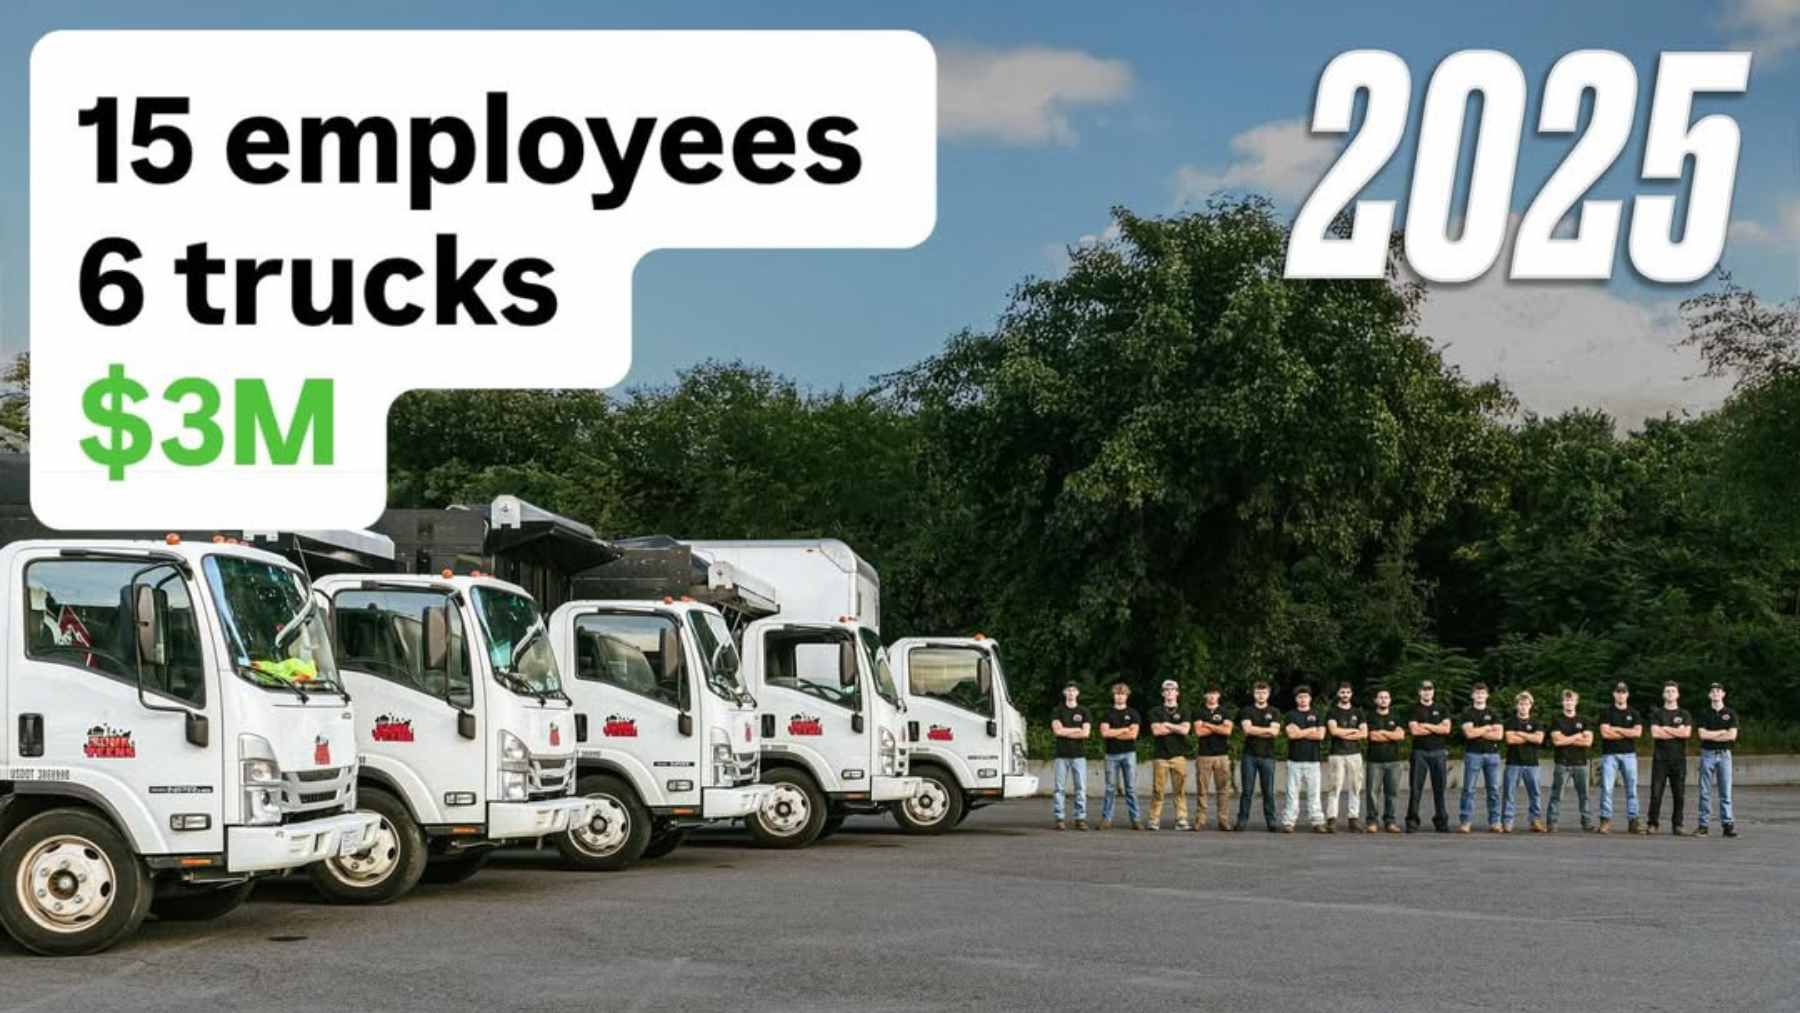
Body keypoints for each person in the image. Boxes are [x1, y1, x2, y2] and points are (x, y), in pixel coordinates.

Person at [1597, 681, 1645, 835]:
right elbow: (1605, 733)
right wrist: (1627, 732)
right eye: (1618, 691)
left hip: (1629, 755)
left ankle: (1633, 821)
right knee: (1607, 788)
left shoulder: (1634, 713)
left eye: (1623, 692)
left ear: (1627, 694)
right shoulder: (1606, 712)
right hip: (1609, 755)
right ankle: (1605, 820)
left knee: (1632, 789)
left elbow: (1637, 733)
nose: (1620, 694)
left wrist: (1616, 729)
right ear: (1614, 694)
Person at [1405, 680, 1453, 833]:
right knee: (1415, 789)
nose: (1427, 692)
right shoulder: (1413, 709)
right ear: (1419, 692)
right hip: (1419, 752)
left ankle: (1441, 821)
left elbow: (1446, 730)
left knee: (1440, 788)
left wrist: (1425, 725)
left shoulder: (1442, 708)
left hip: (1439, 752)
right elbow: (1415, 731)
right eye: (1424, 689)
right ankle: (1412, 821)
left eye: (1430, 689)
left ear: (1433, 691)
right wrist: (1436, 728)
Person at [1235, 681, 1282, 832]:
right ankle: (1242, 821)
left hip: (1268, 756)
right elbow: (1247, 730)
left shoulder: (1274, 711)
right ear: (1253, 694)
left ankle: (1271, 822)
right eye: (1258, 692)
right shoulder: (1247, 711)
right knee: (1247, 791)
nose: (1261, 695)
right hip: (1249, 756)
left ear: (1268, 694)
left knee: (1268, 791)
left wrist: (1256, 729)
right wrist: (1266, 730)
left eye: (1263, 692)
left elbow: (1274, 733)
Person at [1457, 683, 1504, 833]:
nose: (1479, 695)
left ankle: (1495, 822)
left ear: (1487, 695)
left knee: (1494, 790)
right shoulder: (1467, 713)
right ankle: (1466, 822)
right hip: (1473, 754)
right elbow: (1469, 734)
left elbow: (1499, 735)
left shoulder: (1494, 713)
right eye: (1477, 693)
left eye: (1482, 693)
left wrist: (1477, 730)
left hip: (1492, 755)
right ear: (1472, 695)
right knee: (1469, 789)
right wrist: (1487, 728)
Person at [1646, 681, 1692, 836]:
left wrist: (1665, 728)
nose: (1670, 693)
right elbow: (1655, 734)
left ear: (1678, 694)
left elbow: (1686, 734)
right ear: (1663, 694)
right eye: (1667, 691)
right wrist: (1675, 731)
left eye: (1673, 691)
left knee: (1679, 794)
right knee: (1656, 793)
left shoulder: (1684, 714)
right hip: (1660, 759)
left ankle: (1678, 825)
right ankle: (1653, 823)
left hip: (1678, 760)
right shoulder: (1657, 714)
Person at [1546, 689, 1594, 833]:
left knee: (1584, 795)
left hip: (1580, 763)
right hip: (1562, 763)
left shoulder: (1583, 720)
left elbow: (1588, 742)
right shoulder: (1557, 720)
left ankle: (1586, 822)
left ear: (1576, 702)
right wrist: (1577, 736)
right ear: (1562, 702)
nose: (1569, 703)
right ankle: (1552, 822)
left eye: (1571, 700)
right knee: (1557, 794)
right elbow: (1557, 742)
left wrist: (1566, 739)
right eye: (1566, 700)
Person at [1695, 682, 1739, 838]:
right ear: (1709, 695)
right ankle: (1703, 825)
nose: (1715, 693)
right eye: (1712, 691)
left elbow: (1732, 736)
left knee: (1725, 792)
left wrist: (1712, 734)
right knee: (1704, 791)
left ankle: (1727, 824)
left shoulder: (1730, 713)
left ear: (1723, 694)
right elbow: (1702, 735)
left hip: (1725, 755)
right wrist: (1721, 732)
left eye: (1718, 691)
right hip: (1707, 753)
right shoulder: (1704, 713)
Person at [1146, 680, 1192, 831]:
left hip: (1179, 756)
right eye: (1166, 690)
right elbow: (1156, 731)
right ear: (1163, 693)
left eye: (1173, 689)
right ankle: (1153, 820)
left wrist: (1167, 725)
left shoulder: (1184, 710)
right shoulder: (1155, 711)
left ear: (1177, 693)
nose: (1170, 692)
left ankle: (1181, 819)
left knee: (1180, 790)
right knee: (1158, 791)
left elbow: (1185, 730)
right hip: (1161, 756)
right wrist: (1176, 727)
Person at [1281, 685, 1327, 833]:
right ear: (1296, 699)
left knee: (1314, 793)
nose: (1303, 699)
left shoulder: (1317, 714)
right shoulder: (1290, 715)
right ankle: (1289, 822)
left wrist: (1300, 731)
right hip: (1294, 760)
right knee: (1292, 793)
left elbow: (1320, 735)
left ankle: (1317, 822)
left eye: (1305, 697)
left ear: (1310, 698)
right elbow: (1292, 735)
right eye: (1300, 697)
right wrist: (1310, 730)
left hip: (1313, 760)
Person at [1098, 682, 1143, 830]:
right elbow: (1105, 733)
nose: (1120, 696)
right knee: (1110, 789)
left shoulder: (1134, 713)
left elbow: (1133, 735)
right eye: (1117, 694)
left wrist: (1114, 733)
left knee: (1130, 788)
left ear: (1127, 696)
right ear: (1113, 695)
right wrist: (1124, 729)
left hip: (1129, 754)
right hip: (1111, 755)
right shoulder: (1107, 714)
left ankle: (1136, 819)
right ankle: (1106, 819)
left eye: (1122, 694)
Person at [1324, 681, 1367, 833]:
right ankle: (1331, 819)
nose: (1345, 695)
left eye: (1348, 692)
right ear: (1338, 694)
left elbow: (1364, 733)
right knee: (1335, 787)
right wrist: (1353, 732)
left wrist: (1345, 733)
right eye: (1342, 692)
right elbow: (1334, 731)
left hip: (1355, 754)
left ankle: (1353, 819)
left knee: (1355, 787)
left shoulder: (1358, 712)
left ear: (1351, 694)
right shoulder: (1332, 712)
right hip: (1337, 754)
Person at [1500, 691, 1545, 833]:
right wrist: (1529, 737)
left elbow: (1539, 739)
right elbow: (1510, 740)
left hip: (1532, 764)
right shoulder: (1509, 722)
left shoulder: (1536, 722)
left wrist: (1520, 733)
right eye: (1521, 704)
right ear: (1517, 705)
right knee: (1509, 793)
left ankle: (1535, 821)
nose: (1523, 706)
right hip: (1513, 763)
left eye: (1526, 704)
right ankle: (1507, 821)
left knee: (1535, 793)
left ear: (1531, 705)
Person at [1049, 681, 1091, 831]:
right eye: (1068, 690)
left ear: (1077, 693)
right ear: (1064, 693)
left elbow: (1086, 733)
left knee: (1080, 788)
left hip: (1079, 756)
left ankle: (1080, 818)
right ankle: (1059, 818)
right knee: (1059, 789)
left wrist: (1066, 730)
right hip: (1061, 755)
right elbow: (1057, 731)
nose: (1071, 692)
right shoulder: (1057, 710)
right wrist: (1076, 730)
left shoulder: (1084, 711)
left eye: (1074, 690)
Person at [1362, 688, 1406, 833]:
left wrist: (1383, 733)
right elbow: (1373, 736)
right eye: (1380, 697)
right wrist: (1391, 734)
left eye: (1386, 697)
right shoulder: (1370, 716)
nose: (1383, 700)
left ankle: (1390, 821)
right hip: (1374, 761)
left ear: (1390, 700)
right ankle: (1372, 821)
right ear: (1376, 700)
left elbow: (1400, 736)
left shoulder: (1396, 715)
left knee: (1392, 793)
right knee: (1372, 793)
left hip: (1394, 761)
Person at [1191, 687, 1234, 831]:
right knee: (1202, 790)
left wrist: (1208, 724)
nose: (1212, 696)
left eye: (1215, 694)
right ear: (1205, 695)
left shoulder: (1225, 711)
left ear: (1219, 695)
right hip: (1204, 756)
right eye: (1209, 694)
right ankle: (1200, 821)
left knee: (1223, 790)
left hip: (1222, 756)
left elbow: (1227, 731)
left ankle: (1223, 821)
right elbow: (1199, 732)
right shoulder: (1198, 712)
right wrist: (1218, 727)